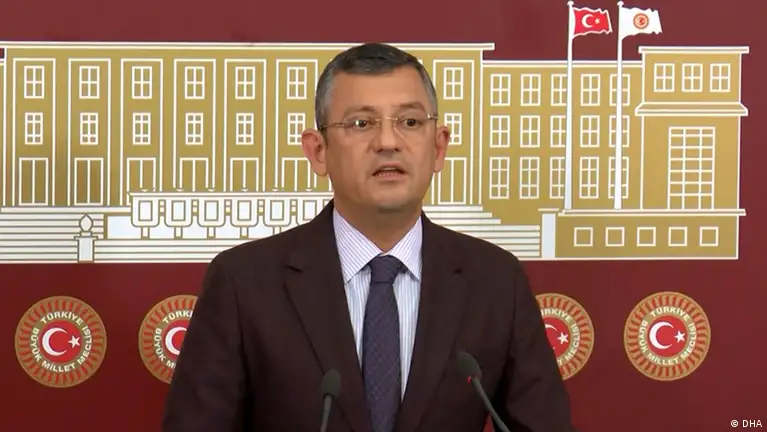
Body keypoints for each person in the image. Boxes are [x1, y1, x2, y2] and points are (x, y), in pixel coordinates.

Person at [162, 42, 574, 432]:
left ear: (438, 147)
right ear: (318, 151)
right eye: (361, 123)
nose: (388, 142)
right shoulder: (244, 283)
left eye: (410, 122)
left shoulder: (495, 281)